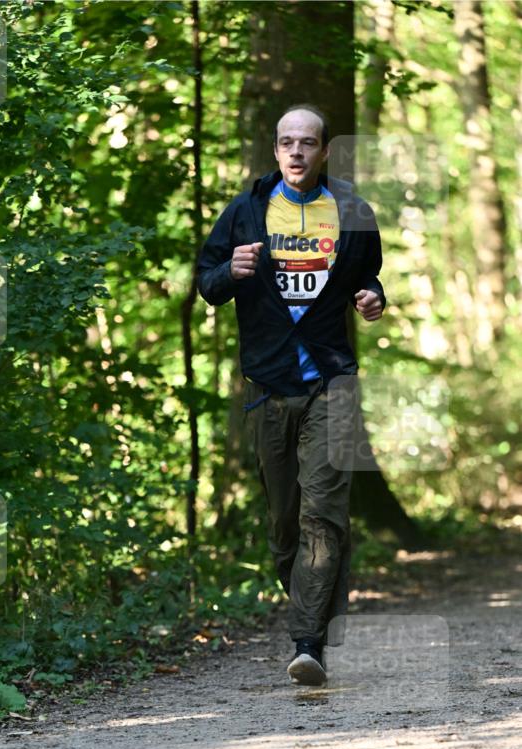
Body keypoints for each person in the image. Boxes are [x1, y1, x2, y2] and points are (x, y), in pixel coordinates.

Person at [197, 105, 385, 686]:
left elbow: (369, 274)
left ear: (325, 151)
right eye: (286, 143)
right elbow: (207, 284)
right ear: (275, 151)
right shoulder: (247, 211)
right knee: (283, 528)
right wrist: (233, 269)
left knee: (321, 514)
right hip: (269, 386)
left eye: (307, 142)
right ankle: (322, 613)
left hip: (332, 380)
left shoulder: (352, 211)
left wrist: (372, 297)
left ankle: (308, 643)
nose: (296, 151)